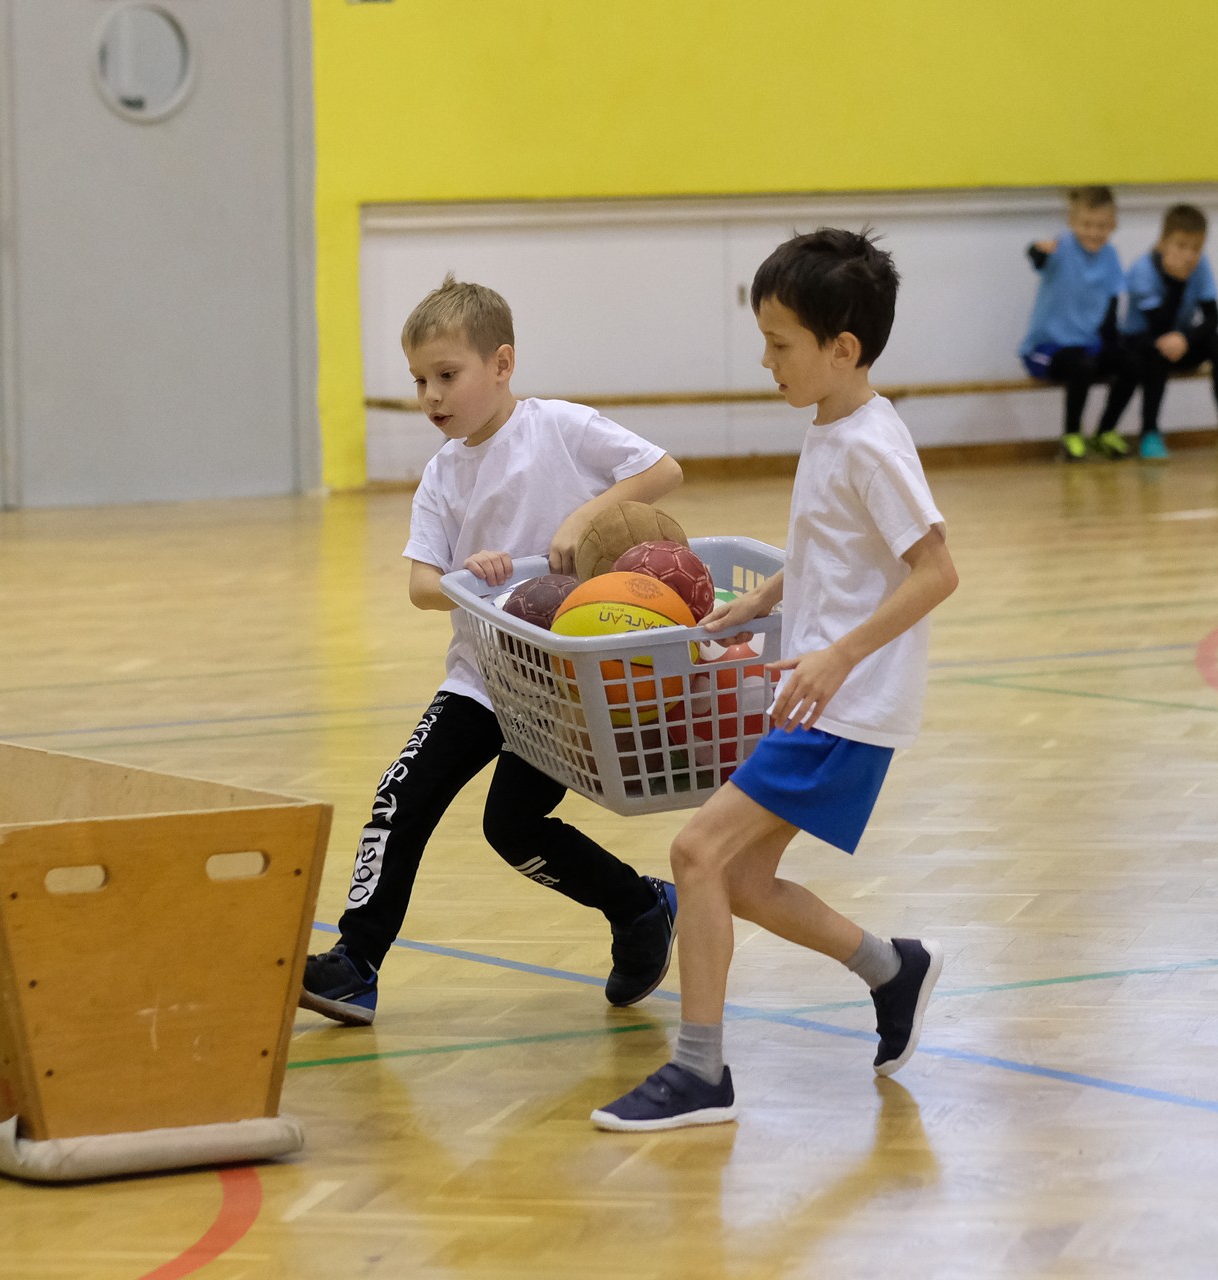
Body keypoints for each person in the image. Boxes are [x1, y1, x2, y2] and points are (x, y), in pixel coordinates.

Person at [593, 229, 958, 1132]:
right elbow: (840, 552)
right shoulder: (830, 425)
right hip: (818, 697)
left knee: (696, 856)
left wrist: (839, 654)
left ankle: (700, 1071)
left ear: (843, 348)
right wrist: (765, 602)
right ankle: (893, 969)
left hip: (845, 706)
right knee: (743, 881)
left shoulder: (872, 443)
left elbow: (935, 572)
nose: (766, 361)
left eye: (780, 343)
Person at [300, 274, 684, 1027]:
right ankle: (356, 964)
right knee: (399, 797)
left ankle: (639, 907)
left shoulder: (560, 428)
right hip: (482, 678)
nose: (431, 396)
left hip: (563, 686)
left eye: (447, 375)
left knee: (511, 829)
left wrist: (586, 517)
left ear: (502, 364)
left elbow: (663, 470)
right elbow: (421, 585)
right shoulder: (442, 476)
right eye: (420, 381)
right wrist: (464, 579)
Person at [1119, 204, 1218, 461]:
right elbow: (1159, 327)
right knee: (1157, 351)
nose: (1189, 256)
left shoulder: (1201, 266)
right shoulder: (1142, 270)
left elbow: (1213, 318)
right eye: (1181, 246)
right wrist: (1177, 282)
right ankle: (1150, 432)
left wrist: (1186, 338)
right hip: (1141, 343)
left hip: (1180, 340)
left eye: (1196, 248)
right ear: (1162, 243)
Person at [1018, 186, 1134, 461]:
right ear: (1072, 223)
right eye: (1087, 224)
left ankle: (1105, 432)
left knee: (1132, 363)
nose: (1094, 232)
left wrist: (1116, 346)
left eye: (1102, 226)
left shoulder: (1110, 255)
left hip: (1088, 347)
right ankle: (1071, 435)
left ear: (1113, 225)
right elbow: (1037, 255)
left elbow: (1112, 301)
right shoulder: (1061, 247)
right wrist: (1037, 250)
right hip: (1047, 350)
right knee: (1082, 365)